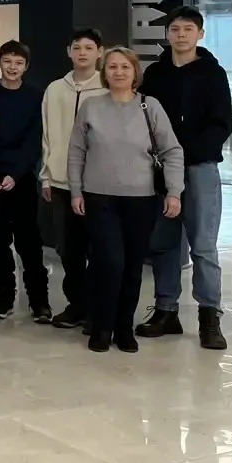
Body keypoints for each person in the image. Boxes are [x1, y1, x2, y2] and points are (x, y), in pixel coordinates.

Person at [68, 47, 183, 354]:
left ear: (135, 73)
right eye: (112, 67)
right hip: (99, 197)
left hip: (141, 199)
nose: (118, 72)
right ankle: (101, 326)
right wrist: (76, 190)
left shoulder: (149, 106)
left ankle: (123, 328)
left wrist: (174, 191)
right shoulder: (91, 106)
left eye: (125, 67)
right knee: (110, 262)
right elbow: (76, 151)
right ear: (104, 72)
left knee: (132, 266)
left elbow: (172, 151)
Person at [136, 6, 232, 350]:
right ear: (167, 34)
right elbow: (145, 119)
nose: (180, 35)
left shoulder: (213, 73)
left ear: (200, 34)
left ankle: (209, 316)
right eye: (175, 29)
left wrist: (185, 152)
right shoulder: (155, 74)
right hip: (161, 170)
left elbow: (221, 123)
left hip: (200, 167)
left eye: (188, 29)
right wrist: (162, 156)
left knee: (203, 245)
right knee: (164, 243)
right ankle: (166, 310)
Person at [0, 40, 48, 322]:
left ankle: (39, 302)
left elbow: (34, 140)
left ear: (26, 66)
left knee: (29, 243)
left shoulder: (35, 96)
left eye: (18, 63)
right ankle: (5, 297)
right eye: (7, 61)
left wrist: (16, 174)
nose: (12, 67)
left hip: (21, 179)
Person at [40, 28, 107, 330]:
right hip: (61, 182)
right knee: (68, 250)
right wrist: (45, 176)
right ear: (69, 52)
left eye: (89, 48)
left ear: (99, 52)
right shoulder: (55, 89)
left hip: (97, 184)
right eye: (77, 47)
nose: (82, 53)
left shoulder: (107, 87)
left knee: (99, 248)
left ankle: (96, 308)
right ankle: (77, 304)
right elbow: (47, 135)